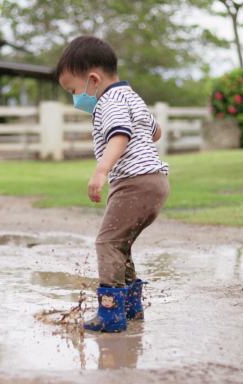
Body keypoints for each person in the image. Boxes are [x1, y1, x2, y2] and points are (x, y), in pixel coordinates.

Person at [55, 36, 170, 332]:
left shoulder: (109, 101)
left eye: (74, 90)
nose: (75, 98)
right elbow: (155, 132)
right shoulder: (132, 96)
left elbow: (121, 134)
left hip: (134, 183)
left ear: (93, 80)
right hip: (156, 183)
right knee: (121, 244)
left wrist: (101, 170)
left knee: (106, 242)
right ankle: (132, 307)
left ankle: (110, 314)